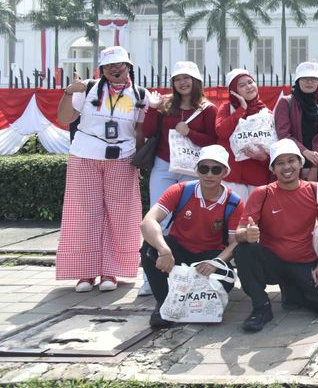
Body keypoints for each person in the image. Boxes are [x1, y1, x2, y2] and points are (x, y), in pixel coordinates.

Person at [55, 46, 147, 293]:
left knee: (120, 215)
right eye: (109, 66)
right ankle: (85, 272)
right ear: (102, 69)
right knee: (84, 214)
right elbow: (64, 118)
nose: (114, 70)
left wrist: (139, 161)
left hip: (123, 157)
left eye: (119, 65)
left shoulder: (140, 94)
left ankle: (111, 271)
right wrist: (68, 92)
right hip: (85, 154)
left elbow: (139, 131)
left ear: (128, 67)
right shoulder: (87, 88)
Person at [233, 139, 318, 332]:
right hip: (272, 262)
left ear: (300, 163)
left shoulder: (315, 190)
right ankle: (261, 307)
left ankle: (293, 291)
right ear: (273, 169)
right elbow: (239, 233)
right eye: (280, 163)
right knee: (243, 250)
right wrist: (247, 234)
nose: (286, 167)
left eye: (291, 160)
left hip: (304, 261)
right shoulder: (262, 193)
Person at [139, 145, 243, 328]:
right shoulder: (180, 191)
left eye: (216, 169)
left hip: (210, 254)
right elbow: (148, 221)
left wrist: (216, 262)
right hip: (178, 249)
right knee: (149, 249)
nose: (209, 174)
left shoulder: (234, 202)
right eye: (204, 168)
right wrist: (164, 250)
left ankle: (195, 304)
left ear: (224, 172)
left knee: (225, 277)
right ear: (196, 170)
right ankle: (164, 303)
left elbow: (235, 243)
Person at [138, 60, 218, 296]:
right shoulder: (165, 105)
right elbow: (148, 131)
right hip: (164, 166)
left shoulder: (208, 109)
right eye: (178, 79)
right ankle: (150, 277)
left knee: (186, 220)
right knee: (158, 219)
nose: (182, 83)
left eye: (187, 78)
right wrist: (153, 108)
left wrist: (191, 132)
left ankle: (182, 273)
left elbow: (213, 140)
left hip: (192, 168)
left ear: (196, 81)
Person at [215, 69, 272, 202]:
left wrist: (263, 158)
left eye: (250, 82)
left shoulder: (266, 113)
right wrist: (241, 109)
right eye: (241, 85)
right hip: (232, 177)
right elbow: (222, 132)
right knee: (234, 213)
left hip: (257, 176)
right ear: (233, 91)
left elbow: (273, 146)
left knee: (255, 213)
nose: (248, 87)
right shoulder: (227, 108)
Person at [274, 61, 318, 183]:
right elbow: (284, 135)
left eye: (313, 79)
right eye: (305, 79)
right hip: (289, 166)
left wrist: (315, 168)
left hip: (312, 170)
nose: (309, 82)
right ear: (298, 81)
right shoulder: (285, 103)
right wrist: (305, 152)